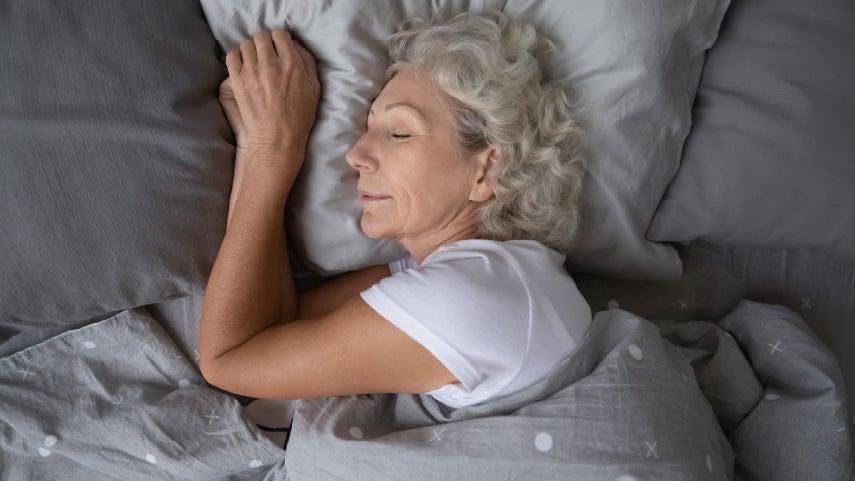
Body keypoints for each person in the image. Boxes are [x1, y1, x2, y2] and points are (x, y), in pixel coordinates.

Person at [199, 9, 591, 412]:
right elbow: (275, 327)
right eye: (369, 128)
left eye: (400, 133)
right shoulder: (485, 274)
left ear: (485, 169)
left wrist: (272, 153)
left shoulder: (463, 298)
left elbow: (231, 359)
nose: (356, 155)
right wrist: (255, 145)